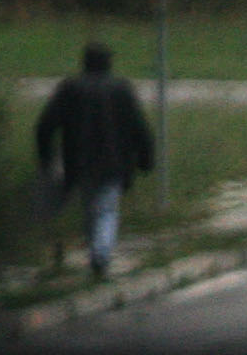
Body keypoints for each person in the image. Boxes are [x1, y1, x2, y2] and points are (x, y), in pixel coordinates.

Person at [34, 43, 158, 276]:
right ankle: (100, 255)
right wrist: (146, 157)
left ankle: (96, 253)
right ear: (109, 63)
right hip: (114, 161)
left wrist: (46, 157)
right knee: (106, 209)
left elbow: (45, 125)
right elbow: (139, 127)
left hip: (78, 161)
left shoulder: (70, 88)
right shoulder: (121, 89)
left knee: (91, 208)